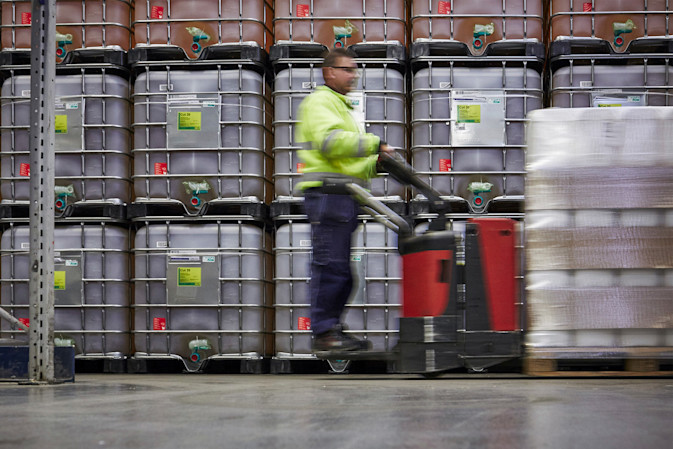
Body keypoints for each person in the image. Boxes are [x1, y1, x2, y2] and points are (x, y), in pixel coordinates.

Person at [296, 48, 393, 352]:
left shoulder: (342, 106)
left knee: (343, 273)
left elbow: (347, 159)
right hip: (328, 194)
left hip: (343, 195)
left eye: (355, 70)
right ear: (329, 72)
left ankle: (332, 328)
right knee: (331, 267)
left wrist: (375, 165)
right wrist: (375, 143)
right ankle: (324, 333)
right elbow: (331, 143)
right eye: (348, 69)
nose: (354, 76)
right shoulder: (321, 101)